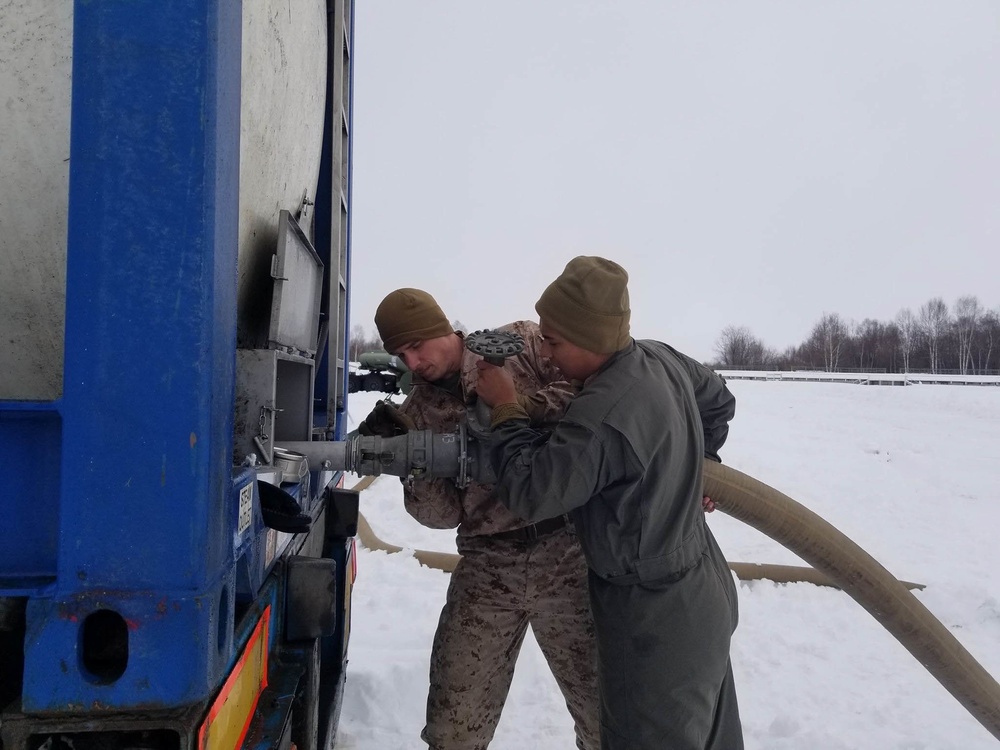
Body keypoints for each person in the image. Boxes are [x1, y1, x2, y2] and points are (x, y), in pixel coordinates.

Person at [475, 257, 744, 750]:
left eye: (553, 342)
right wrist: (703, 459)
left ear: (591, 339)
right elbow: (719, 400)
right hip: (703, 589)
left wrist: (506, 408)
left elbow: (533, 491)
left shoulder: (603, 413)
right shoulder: (659, 358)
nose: (548, 356)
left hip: (653, 619)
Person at [360, 287, 600, 750]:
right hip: (488, 567)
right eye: (400, 355)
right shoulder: (417, 412)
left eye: (416, 347)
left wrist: (519, 407)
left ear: (440, 328)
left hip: (568, 554)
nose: (412, 363)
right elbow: (442, 516)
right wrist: (409, 463)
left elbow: (587, 391)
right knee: (454, 725)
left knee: (607, 713)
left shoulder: (522, 345)